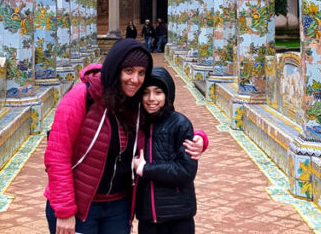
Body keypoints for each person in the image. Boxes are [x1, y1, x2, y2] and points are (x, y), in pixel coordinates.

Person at [44, 39, 206, 234]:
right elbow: (57, 154)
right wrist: (64, 210)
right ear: (115, 69)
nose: (135, 79)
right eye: (128, 71)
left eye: (141, 73)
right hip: (80, 207)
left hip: (118, 208)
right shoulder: (82, 96)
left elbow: (166, 125)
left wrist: (198, 138)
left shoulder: (136, 103)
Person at [132, 67, 199, 234]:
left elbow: (186, 170)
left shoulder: (180, 124)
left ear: (167, 95)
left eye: (158, 92)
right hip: (147, 217)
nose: (151, 99)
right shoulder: (136, 123)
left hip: (178, 216)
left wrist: (146, 169)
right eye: (145, 92)